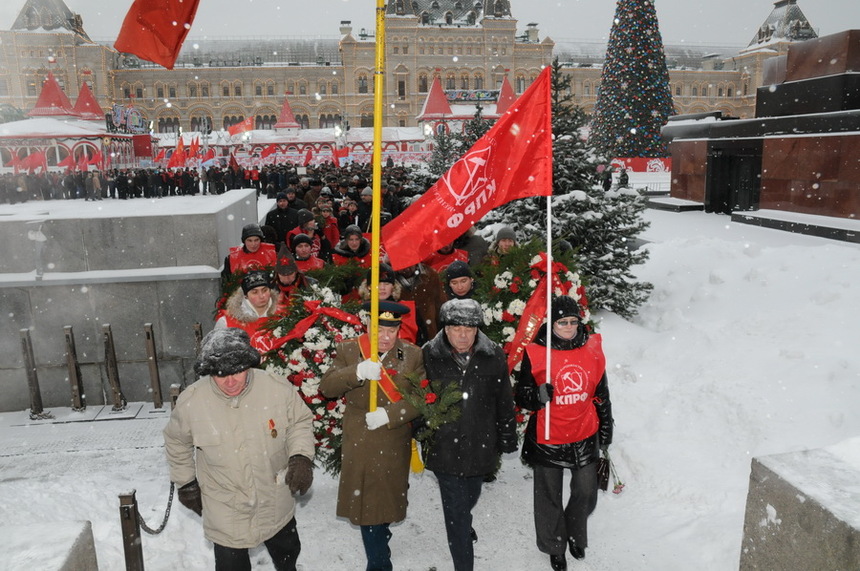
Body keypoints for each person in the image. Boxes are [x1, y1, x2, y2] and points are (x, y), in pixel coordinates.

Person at [163, 328, 315, 571]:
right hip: (225, 505)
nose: (230, 381)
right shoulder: (191, 402)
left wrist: (301, 456)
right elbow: (176, 441)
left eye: (237, 372)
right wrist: (186, 483)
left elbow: (300, 422)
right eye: (221, 375)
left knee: (287, 555)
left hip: (274, 497)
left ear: (248, 365)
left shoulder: (275, 388)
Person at [319, 301, 424, 571]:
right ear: (367, 326)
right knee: (368, 505)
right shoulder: (349, 350)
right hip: (361, 438)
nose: (386, 337)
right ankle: (379, 563)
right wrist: (356, 371)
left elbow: (421, 398)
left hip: (394, 438)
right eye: (379, 330)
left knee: (386, 500)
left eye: (392, 330)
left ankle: (381, 533)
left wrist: (391, 415)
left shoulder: (412, 354)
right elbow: (327, 387)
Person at [513, 296, 613, 571]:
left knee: (586, 491)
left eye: (572, 321)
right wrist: (537, 395)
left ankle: (574, 532)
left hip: (584, 433)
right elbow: (521, 395)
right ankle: (554, 545)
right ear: (552, 323)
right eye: (562, 322)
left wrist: (606, 430)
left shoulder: (592, 350)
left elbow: (602, 395)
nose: (568, 327)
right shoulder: (537, 352)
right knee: (548, 496)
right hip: (549, 436)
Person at [422, 299, 518, 571]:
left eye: (469, 329)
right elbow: (417, 394)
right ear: (445, 329)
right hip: (444, 446)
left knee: (471, 495)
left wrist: (507, 434)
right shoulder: (428, 354)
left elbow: (503, 398)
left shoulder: (493, 355)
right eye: (456, 329)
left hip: (480, 443)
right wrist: (421, 427)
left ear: (477, 329)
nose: (463, 335)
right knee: (455, 512)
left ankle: (464, 520)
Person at [215, 270, 282, 352]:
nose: (261, 296)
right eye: (254, 292)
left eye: (264, 290)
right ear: (246, 295)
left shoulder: (283, 315)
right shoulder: (227, 322)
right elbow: (217, 353)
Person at [359, 263, 423, 345]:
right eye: (377, 284)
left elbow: (407, 340)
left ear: (393, 287)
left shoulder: (404, 309)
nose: (382, 288)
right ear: (369, 287)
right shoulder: (358, 308)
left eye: (387, 284)